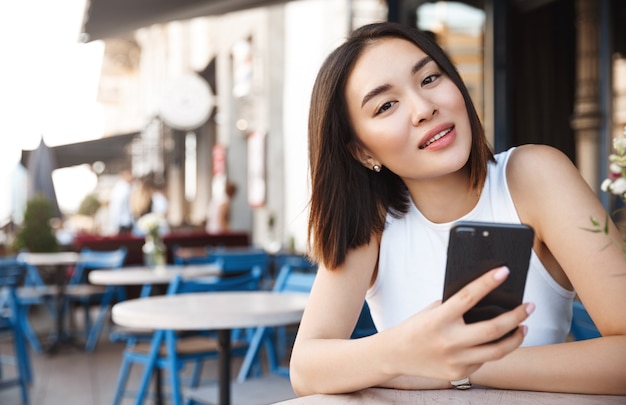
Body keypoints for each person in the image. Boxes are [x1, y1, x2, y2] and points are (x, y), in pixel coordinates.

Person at [290, 22, 626, 396]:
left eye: (430, 78)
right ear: (362, 151)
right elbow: (306, 369)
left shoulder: (535, 177)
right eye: (386, 105)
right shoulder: (373, 220)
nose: (423, 108)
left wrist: (460, 366)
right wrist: (401, 353)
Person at [107, 169, 134, 234]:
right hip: (123, 223)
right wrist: (115, 226)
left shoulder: (123, 188)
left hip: (124, 223)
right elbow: (116, 207)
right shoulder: (122, 188)